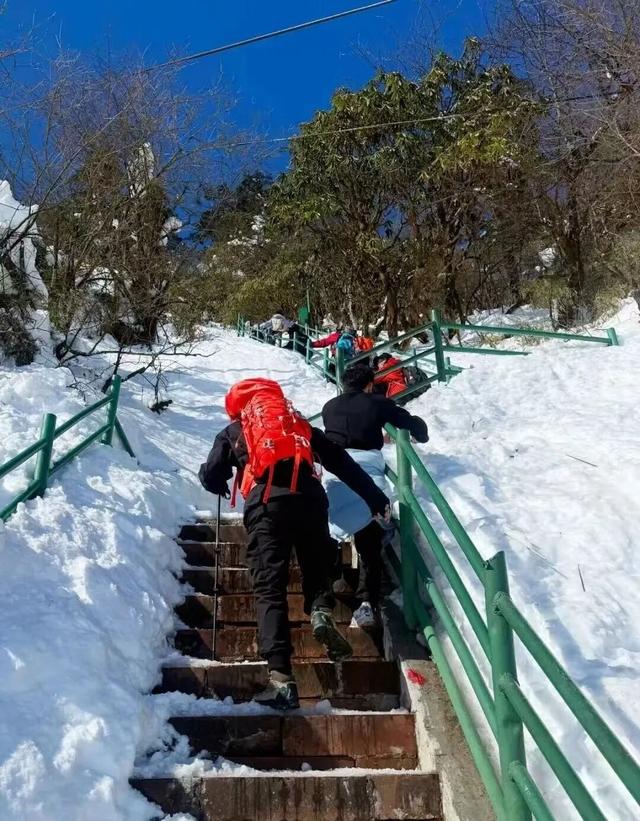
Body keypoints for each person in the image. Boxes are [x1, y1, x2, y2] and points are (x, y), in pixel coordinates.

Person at [199, 377, 389, 710]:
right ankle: (320, 610)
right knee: (316, 566)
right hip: (312, 499)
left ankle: (283, 680)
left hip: (268, 504)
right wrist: (375, 498)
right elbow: (343, 463)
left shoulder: (238, 428)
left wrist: (212, 477)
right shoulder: (297, 425)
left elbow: (214, 473)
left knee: (270, 588)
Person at [321, 364, 429, 627]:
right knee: (370, 540)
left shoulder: (329, 407)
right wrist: (421, 432)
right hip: (369, 474)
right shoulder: (376, 403)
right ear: (369, 384)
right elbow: (407, 421)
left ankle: (331, 581)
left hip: (335, 474)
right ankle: (366, 602)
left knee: (333, 526)